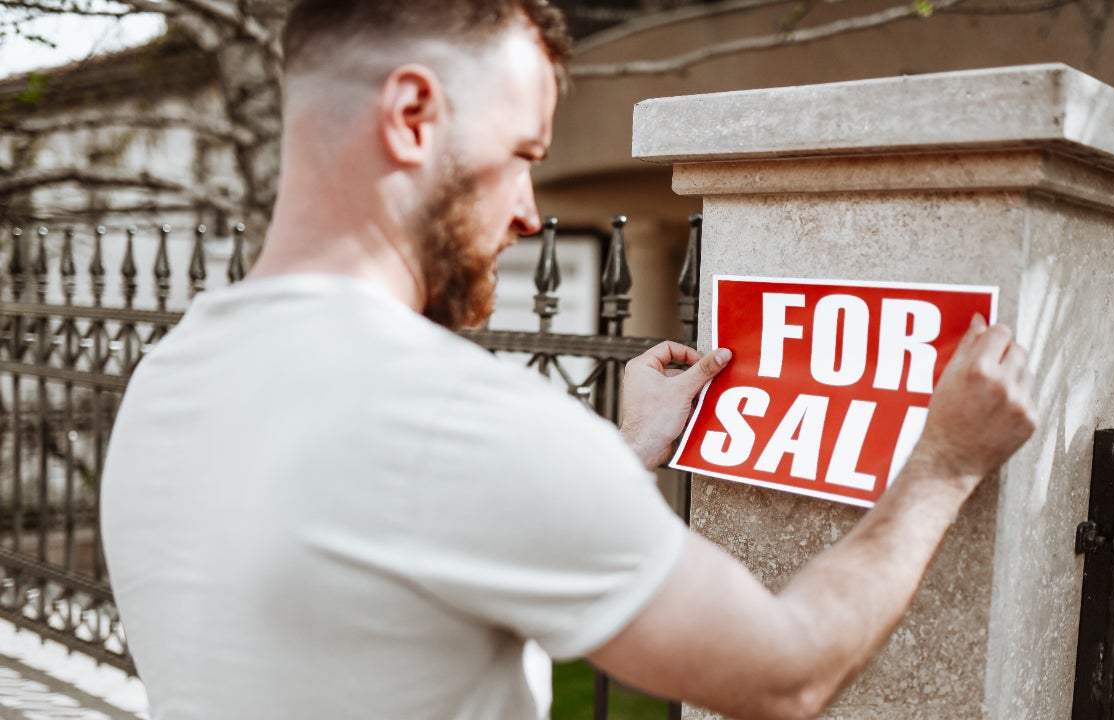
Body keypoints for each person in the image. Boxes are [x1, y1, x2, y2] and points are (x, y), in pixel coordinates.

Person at [99, 1, 1038, 718]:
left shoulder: (169, 375)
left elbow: (380, 555)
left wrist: (620, 456)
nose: (528, 210)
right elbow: (786, 672)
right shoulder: (458, 420)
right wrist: (944, 464)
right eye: (521, 153)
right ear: (414, 115)